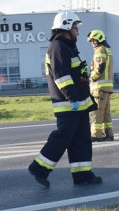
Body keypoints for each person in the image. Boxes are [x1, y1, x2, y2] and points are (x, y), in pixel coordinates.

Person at [27, 11, 102, 187]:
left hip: (78, 103)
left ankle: (83, 175)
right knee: (62, 137)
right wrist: (72, 98)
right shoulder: (58, 47)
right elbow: (62, 77)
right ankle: (39, 168)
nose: (77, 31)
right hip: (69, 104)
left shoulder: (67, 46)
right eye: (75, 27)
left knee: (81, 139)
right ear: (66, 27)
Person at [87, 29, 114, 142]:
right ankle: (108, 134)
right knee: (106, 112)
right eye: (91, 41)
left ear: (100, 39)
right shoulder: (107, 50)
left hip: (99, 87)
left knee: (96, 111)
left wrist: (91, 77)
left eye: (94, 40)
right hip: (107, 87)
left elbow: (100, 68)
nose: (93, 42)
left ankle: (96, 135)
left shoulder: (99, 50)